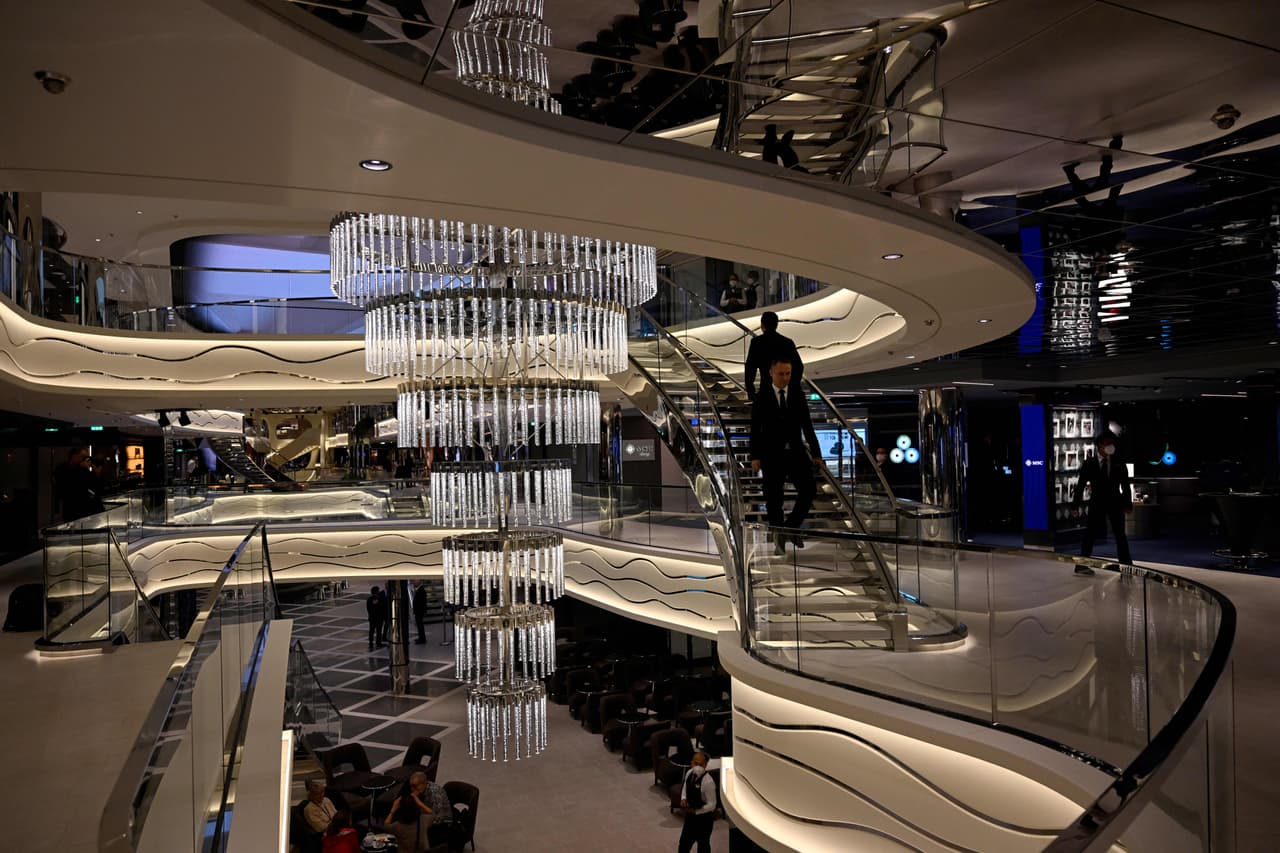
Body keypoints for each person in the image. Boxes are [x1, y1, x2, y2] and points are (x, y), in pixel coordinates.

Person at [750, 359, 822, 556]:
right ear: (771, 373)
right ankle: (779, 537)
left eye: (788, 374)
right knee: (774, 498)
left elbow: (807, 426)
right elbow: (755, 428)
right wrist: (755, 455)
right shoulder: (762, 397)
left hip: (796, 453)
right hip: (772, 455)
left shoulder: (797, 395)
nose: (785, 378)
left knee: (808, 490)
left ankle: (789, 528)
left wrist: (816, 454)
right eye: (781, 374)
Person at [1073, 434, 1133, 572]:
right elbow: (1081, 485)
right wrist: (1075, 505)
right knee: (1090, 534)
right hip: (1097, 502)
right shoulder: (1089, 463)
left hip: (1115, 503)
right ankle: (1081, 565)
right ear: (1099, 446)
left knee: (1120, 535)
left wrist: (1127, 504)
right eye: (1107, 443)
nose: (1110, 446)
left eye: (1112, 443)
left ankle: (1127, 566)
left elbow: (1125, 485)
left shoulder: (1118, 461)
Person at [385, 771, 453, 853]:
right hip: (427, 816)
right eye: (411, 786)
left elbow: (437, 817)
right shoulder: (418, 789)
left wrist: (420, 823)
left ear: (425, 783)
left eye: (415, 786)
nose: (412, 789)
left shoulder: (435, 795)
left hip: (442, 822)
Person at [743, 311, 803, 399]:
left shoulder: (757, 342)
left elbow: (750, 369)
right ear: (776, 325)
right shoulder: (787, 342)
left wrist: (751, 392)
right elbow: (799, 367)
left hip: (766, 389)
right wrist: (791, 386)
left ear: (762, 325)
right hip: (785, 390)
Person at [677, 752, 716, 853]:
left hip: (704, 820)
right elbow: (685, 788)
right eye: (696, 763)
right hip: (690, 817)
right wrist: (683, 798)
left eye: (701, 764)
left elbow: (712, 805)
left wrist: (696, 811)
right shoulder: (689, 773)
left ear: (705, 765)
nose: (698, 766)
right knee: (683, 845)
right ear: (691, 763)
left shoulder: (708, 782)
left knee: (703, 845)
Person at [412, 580, 428, 645]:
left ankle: (422, 639)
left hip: (419, 611)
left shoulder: (421, 590)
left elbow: (421, 602)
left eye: (414, 582)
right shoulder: (419, 589)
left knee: (420, 625)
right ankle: (421, 638)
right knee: (419, 625)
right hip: (418, 611)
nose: (413, 583)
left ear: (418, 582)